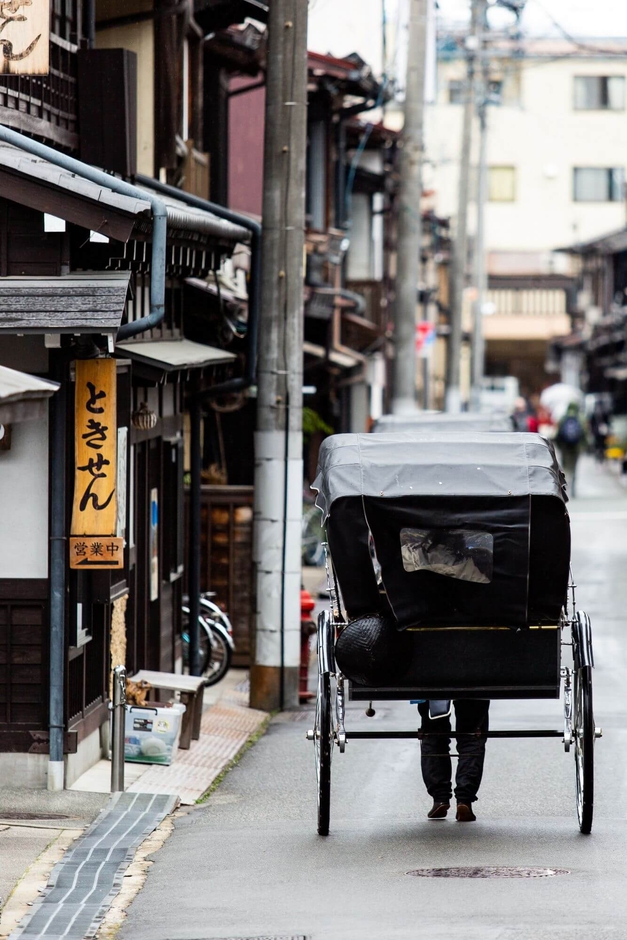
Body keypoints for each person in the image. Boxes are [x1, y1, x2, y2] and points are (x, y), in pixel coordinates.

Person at [419, 699, 490, 822]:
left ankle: (440, 798)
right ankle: (464, 800)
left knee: (433, 733)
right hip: (473, 683)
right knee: (472, 734)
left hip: (431, 683)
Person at [555, 402, 586, 497]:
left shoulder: (563, 418)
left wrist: (559, 446)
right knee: (574, 467)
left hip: (565, 447)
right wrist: (584, 446)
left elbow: (558, 434)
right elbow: (584, 433)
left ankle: (565, 486)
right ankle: (573, 487)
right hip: (576, 447)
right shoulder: (580, 418)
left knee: (565, 467)